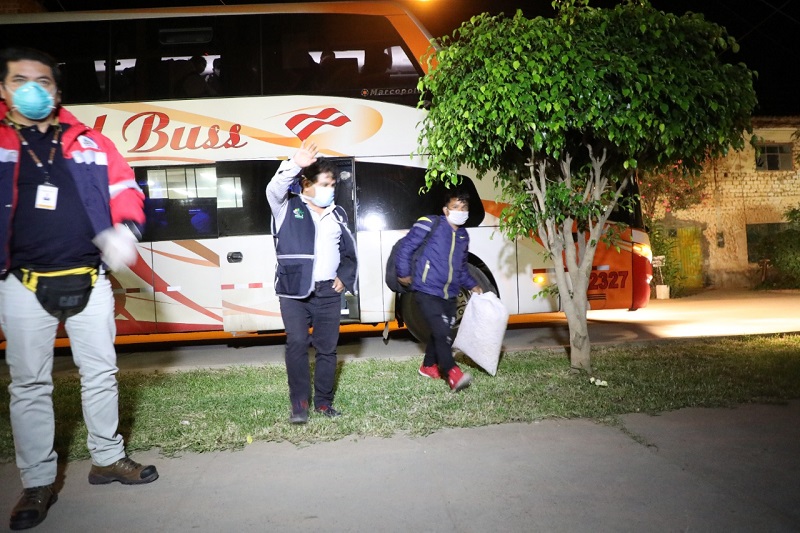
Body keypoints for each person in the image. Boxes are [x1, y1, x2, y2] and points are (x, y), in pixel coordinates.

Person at [0, 47, 158, 531]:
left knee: (101, 374)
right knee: (30, 385)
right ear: (3, 89)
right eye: (20, 80)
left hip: (90, 278)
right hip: (23, 283)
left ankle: (107, 459)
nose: (33, 89)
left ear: (57, 91)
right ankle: (38, 482)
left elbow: (125, 189)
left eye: (43, 81)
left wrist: (127, 229)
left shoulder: (90, 141)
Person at [266, 140, 357, 424]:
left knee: (327, 348)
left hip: (328, 292)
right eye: (325, 184)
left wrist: (344, 277)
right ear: (306, 184)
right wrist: (295, 163)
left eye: (333, 185)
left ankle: (324, 403)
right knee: (296, 343)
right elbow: (273, 189)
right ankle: (300, 404)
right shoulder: (285, 206)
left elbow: (349, 252)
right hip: (294, 291)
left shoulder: (337, 214)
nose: (330, 189)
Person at [396, 189, 482, 392]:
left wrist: (473, 285)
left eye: (464, 207)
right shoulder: (430, 224)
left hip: (450, 293)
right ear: (446, 210)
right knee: (442, 331)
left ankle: (428, 366)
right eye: (455, 207)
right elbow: (406, 247)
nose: (460, 211)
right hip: (426, 289)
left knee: (442, 332)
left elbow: (461, 268)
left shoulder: (463, 236)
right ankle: (452, 372)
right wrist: (403, 272)